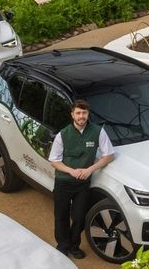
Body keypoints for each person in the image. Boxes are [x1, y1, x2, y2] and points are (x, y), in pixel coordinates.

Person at [48, 99, 116, 259]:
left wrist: (90, 170)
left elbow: (109, 156)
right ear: (72, 114)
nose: (81, 116)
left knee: (79, 217)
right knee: (61, 216)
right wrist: (71, 171)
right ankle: (63, 246)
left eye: (84, 113)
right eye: (78, 113)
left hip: (83, 184)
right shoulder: (63, 134)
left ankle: (74, 245)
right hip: (64, 182)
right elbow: (54, 161)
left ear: (88, 114)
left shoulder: (98, 131)